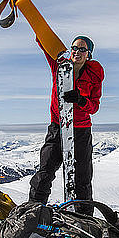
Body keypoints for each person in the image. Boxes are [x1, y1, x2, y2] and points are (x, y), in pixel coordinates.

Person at [29, 36, 104, 215]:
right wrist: (28, 12)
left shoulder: (94, 75)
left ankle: (84, 220)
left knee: (82, 180)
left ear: (89, 54)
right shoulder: (60, 66)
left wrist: (80, 100)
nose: (77, 52)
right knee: (45, 172)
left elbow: (94, 107)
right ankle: (32, 213)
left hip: (81, 131)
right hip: (57, 128)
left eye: (82, 49)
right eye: (74, 48)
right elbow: (45, 43)